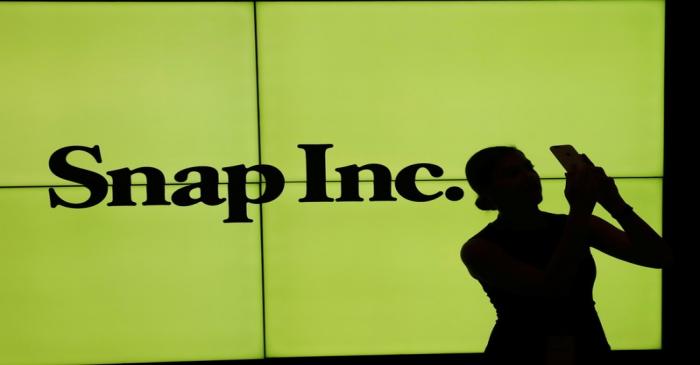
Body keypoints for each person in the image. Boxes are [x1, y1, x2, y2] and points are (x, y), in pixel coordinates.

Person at [459, 146, 672, 365]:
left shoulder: (577, 224)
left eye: (529, 167)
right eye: (513, 173)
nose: (529, 177)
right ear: (487, 189)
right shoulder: (479, 250)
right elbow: (551, 289)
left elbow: (659, 257)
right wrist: (581, 209)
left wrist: (614, 203)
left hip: (576, 348)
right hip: (526, 354)